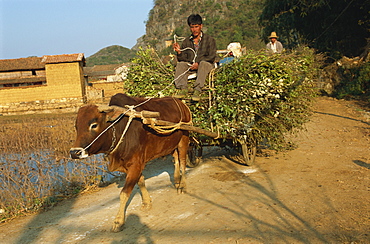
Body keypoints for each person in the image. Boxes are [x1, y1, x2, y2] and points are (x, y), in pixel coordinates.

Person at [173, 14, 217, 101]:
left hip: (205, 65)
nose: (194, 30)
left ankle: (197, 90)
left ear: (201, 26)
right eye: (192, 27)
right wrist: (179, 52)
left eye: (196, 27)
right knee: (181, 64)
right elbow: (183, 58)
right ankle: (183, 89)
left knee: (203, 63)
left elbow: (211, 56)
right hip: (191, 66)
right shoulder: (186, 41)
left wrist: (198, 63)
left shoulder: (209, 40)